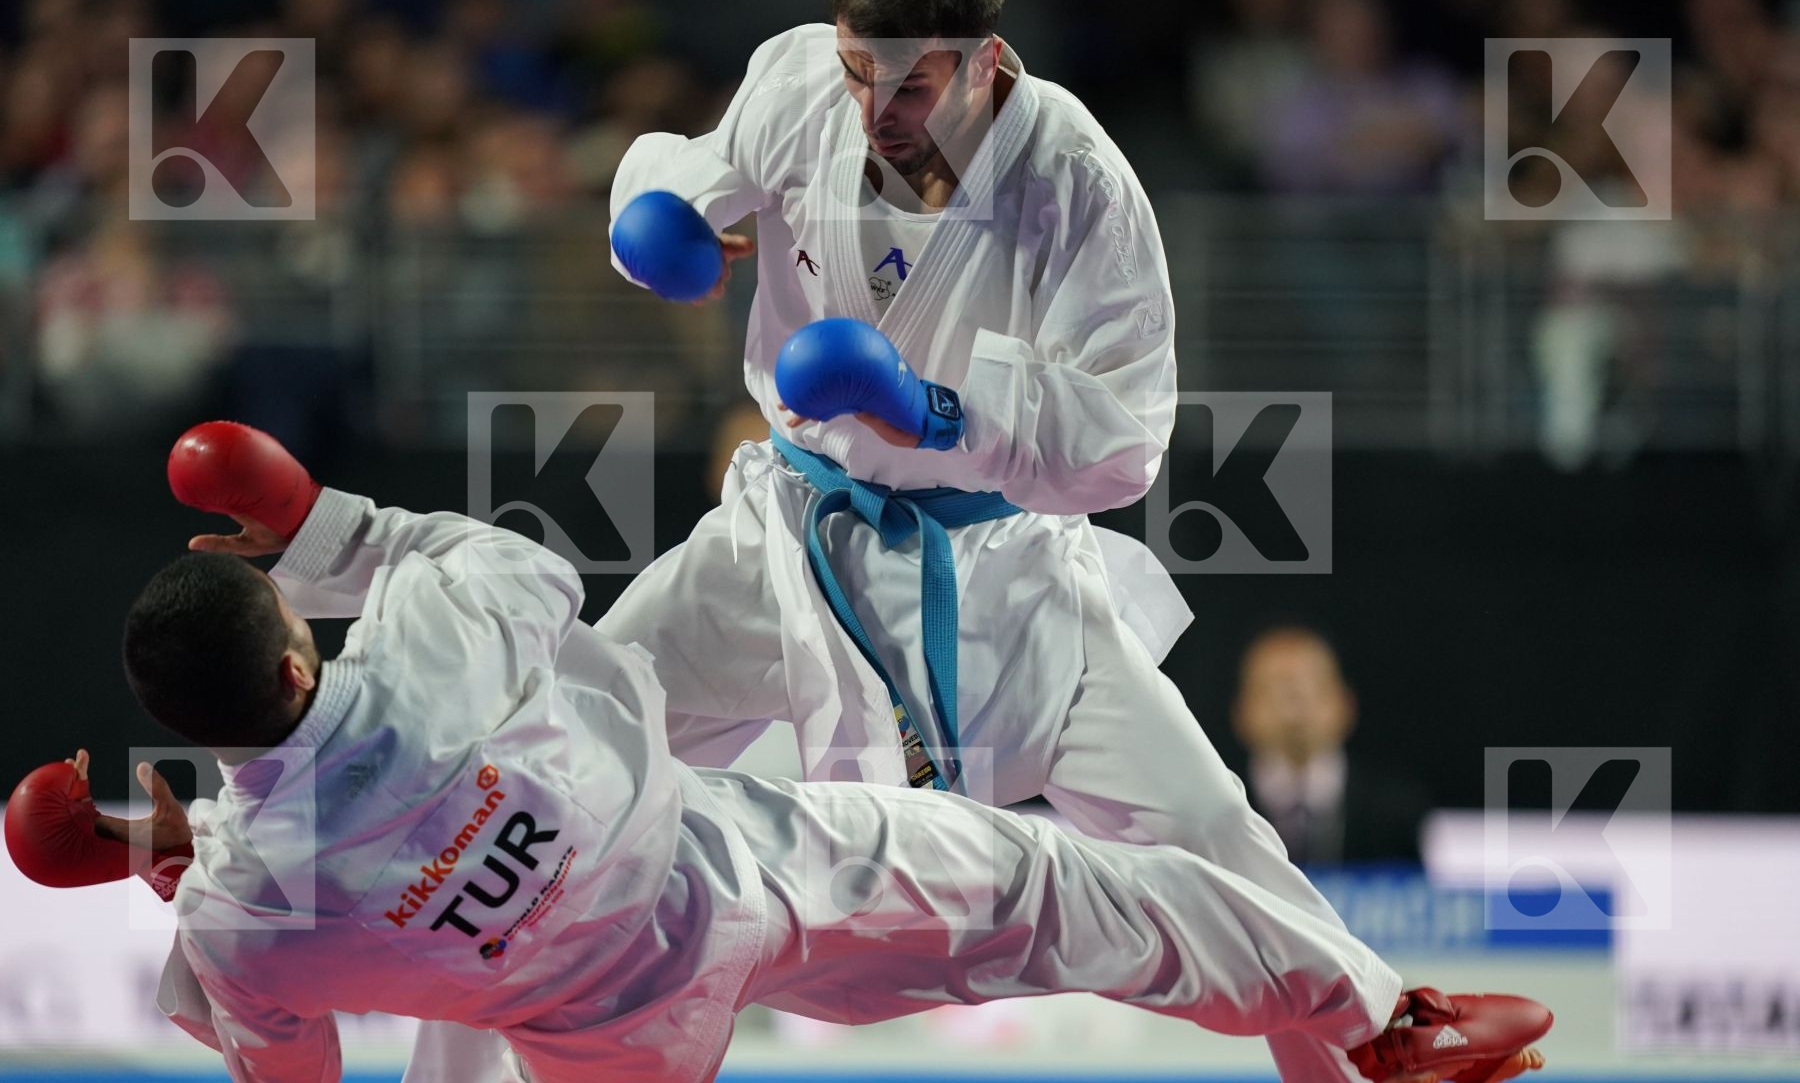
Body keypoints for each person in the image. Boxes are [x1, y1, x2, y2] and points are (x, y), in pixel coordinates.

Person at [599, 0, 1535, 1082]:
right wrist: (656, 223)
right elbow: (700, 174)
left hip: (1005, 571)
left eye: (914, 84)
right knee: (572, 732)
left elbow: (1128, 440)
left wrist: (936, 409)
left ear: (986, 60)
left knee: (1205, 829)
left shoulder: (1077, 180)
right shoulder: (795, 80)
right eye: (856, 73)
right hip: (785, 536)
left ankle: (1385, 1038)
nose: (876, 111)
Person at [2, 421, 1552, 1083]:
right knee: (1079, 890)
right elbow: (515, 572)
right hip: (744, 870)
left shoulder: (251, 913)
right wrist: (312, 521)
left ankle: (173, 831)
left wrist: (210, 874)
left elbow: (290, 1060)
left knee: (312, 957)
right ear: (294, 646)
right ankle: (1375, 1019)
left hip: (604, 1043)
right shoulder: (423, 644)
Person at [1232, 627, 1432, 865]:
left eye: (1310, 688)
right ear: (1241, 711)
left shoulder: (1397, 813)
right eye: (1273, 691)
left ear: (1345, 704)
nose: (1293, 708)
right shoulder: (1214, 812)